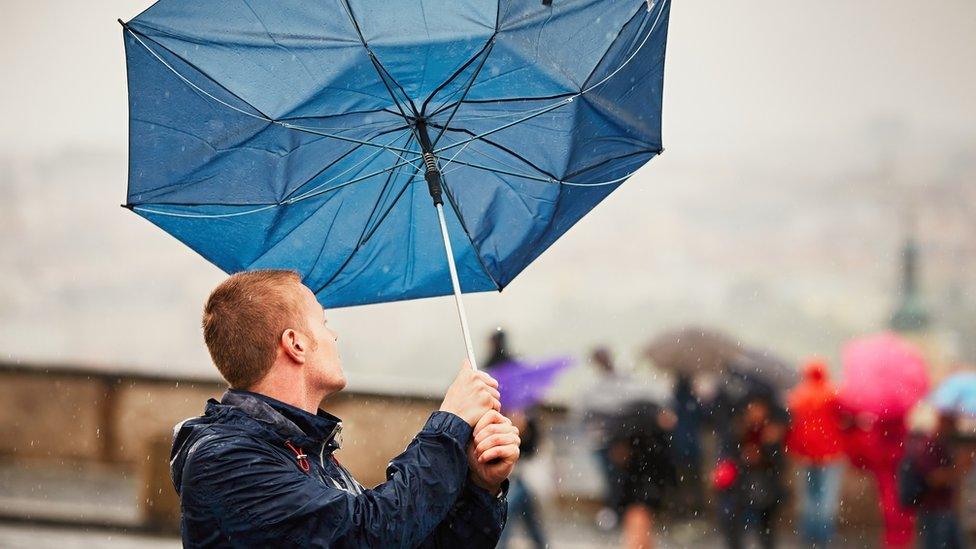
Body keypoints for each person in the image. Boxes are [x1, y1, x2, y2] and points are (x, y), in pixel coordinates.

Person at [170, 270, 520, 548]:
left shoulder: (302, 450)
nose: (333, 336)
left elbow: (409, 540)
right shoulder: (226, 459)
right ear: (295, 344)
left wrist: (479, 486)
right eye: (323, 322)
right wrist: (450, 423)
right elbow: (371, 534)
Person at [483, 330, 548, 549]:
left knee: (509, 516)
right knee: (519, 515)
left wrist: (520, 429)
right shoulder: (518, 380)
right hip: (516, 472)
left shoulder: (489, 374)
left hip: (516, 471)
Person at [715, 396, 788, 549]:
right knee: (733, 524)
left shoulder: (771, 433)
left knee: (766, 528)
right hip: (740, 486)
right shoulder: (737, 431)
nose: (756, 413)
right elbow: (727, 456)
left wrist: (765, 452)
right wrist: (743, 458)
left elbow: (780, 463)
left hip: (765, 485)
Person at [786, 359, 844, 547]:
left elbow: (791, 426)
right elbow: (845, 419)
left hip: (804, 455)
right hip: (830, 454)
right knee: (827, 497)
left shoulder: (797, 396)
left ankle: (808, 535)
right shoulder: (832, 394)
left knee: (808, 498)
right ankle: (824, 537)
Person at [609, 401, 677, 549]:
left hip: (642, 485)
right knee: (638, 521)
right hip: (640, 486)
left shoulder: (647, 432)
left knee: (639, 523)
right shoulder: (643, 427)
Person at [912, 411, 966, 549]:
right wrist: (958, 468)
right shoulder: (931, 445)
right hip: (934, 511)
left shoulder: (943, 445)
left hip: (946, 510)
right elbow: (933, 478)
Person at [671, 374, 705, 517]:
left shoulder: (674, 403)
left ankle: (684, 511)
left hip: (678, 448)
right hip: (693, 447)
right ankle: (696, 511)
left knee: (681, 482)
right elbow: (704, 418)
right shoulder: (693, 402)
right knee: (694, 482)